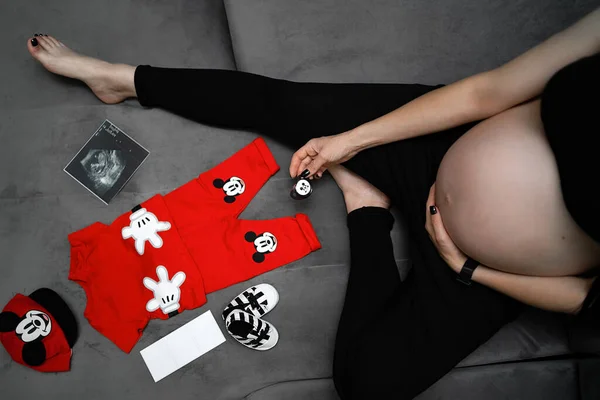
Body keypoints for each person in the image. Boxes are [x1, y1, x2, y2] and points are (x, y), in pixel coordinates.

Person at [26, 7, 600, 399]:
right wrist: (353, 139)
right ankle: (120, 80)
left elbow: (590, 300)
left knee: (363, 384)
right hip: (435, 145)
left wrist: (469, 265)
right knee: (282, 103)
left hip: (486, 271)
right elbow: (490, 91)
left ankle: (366, 207)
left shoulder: (477, 267)